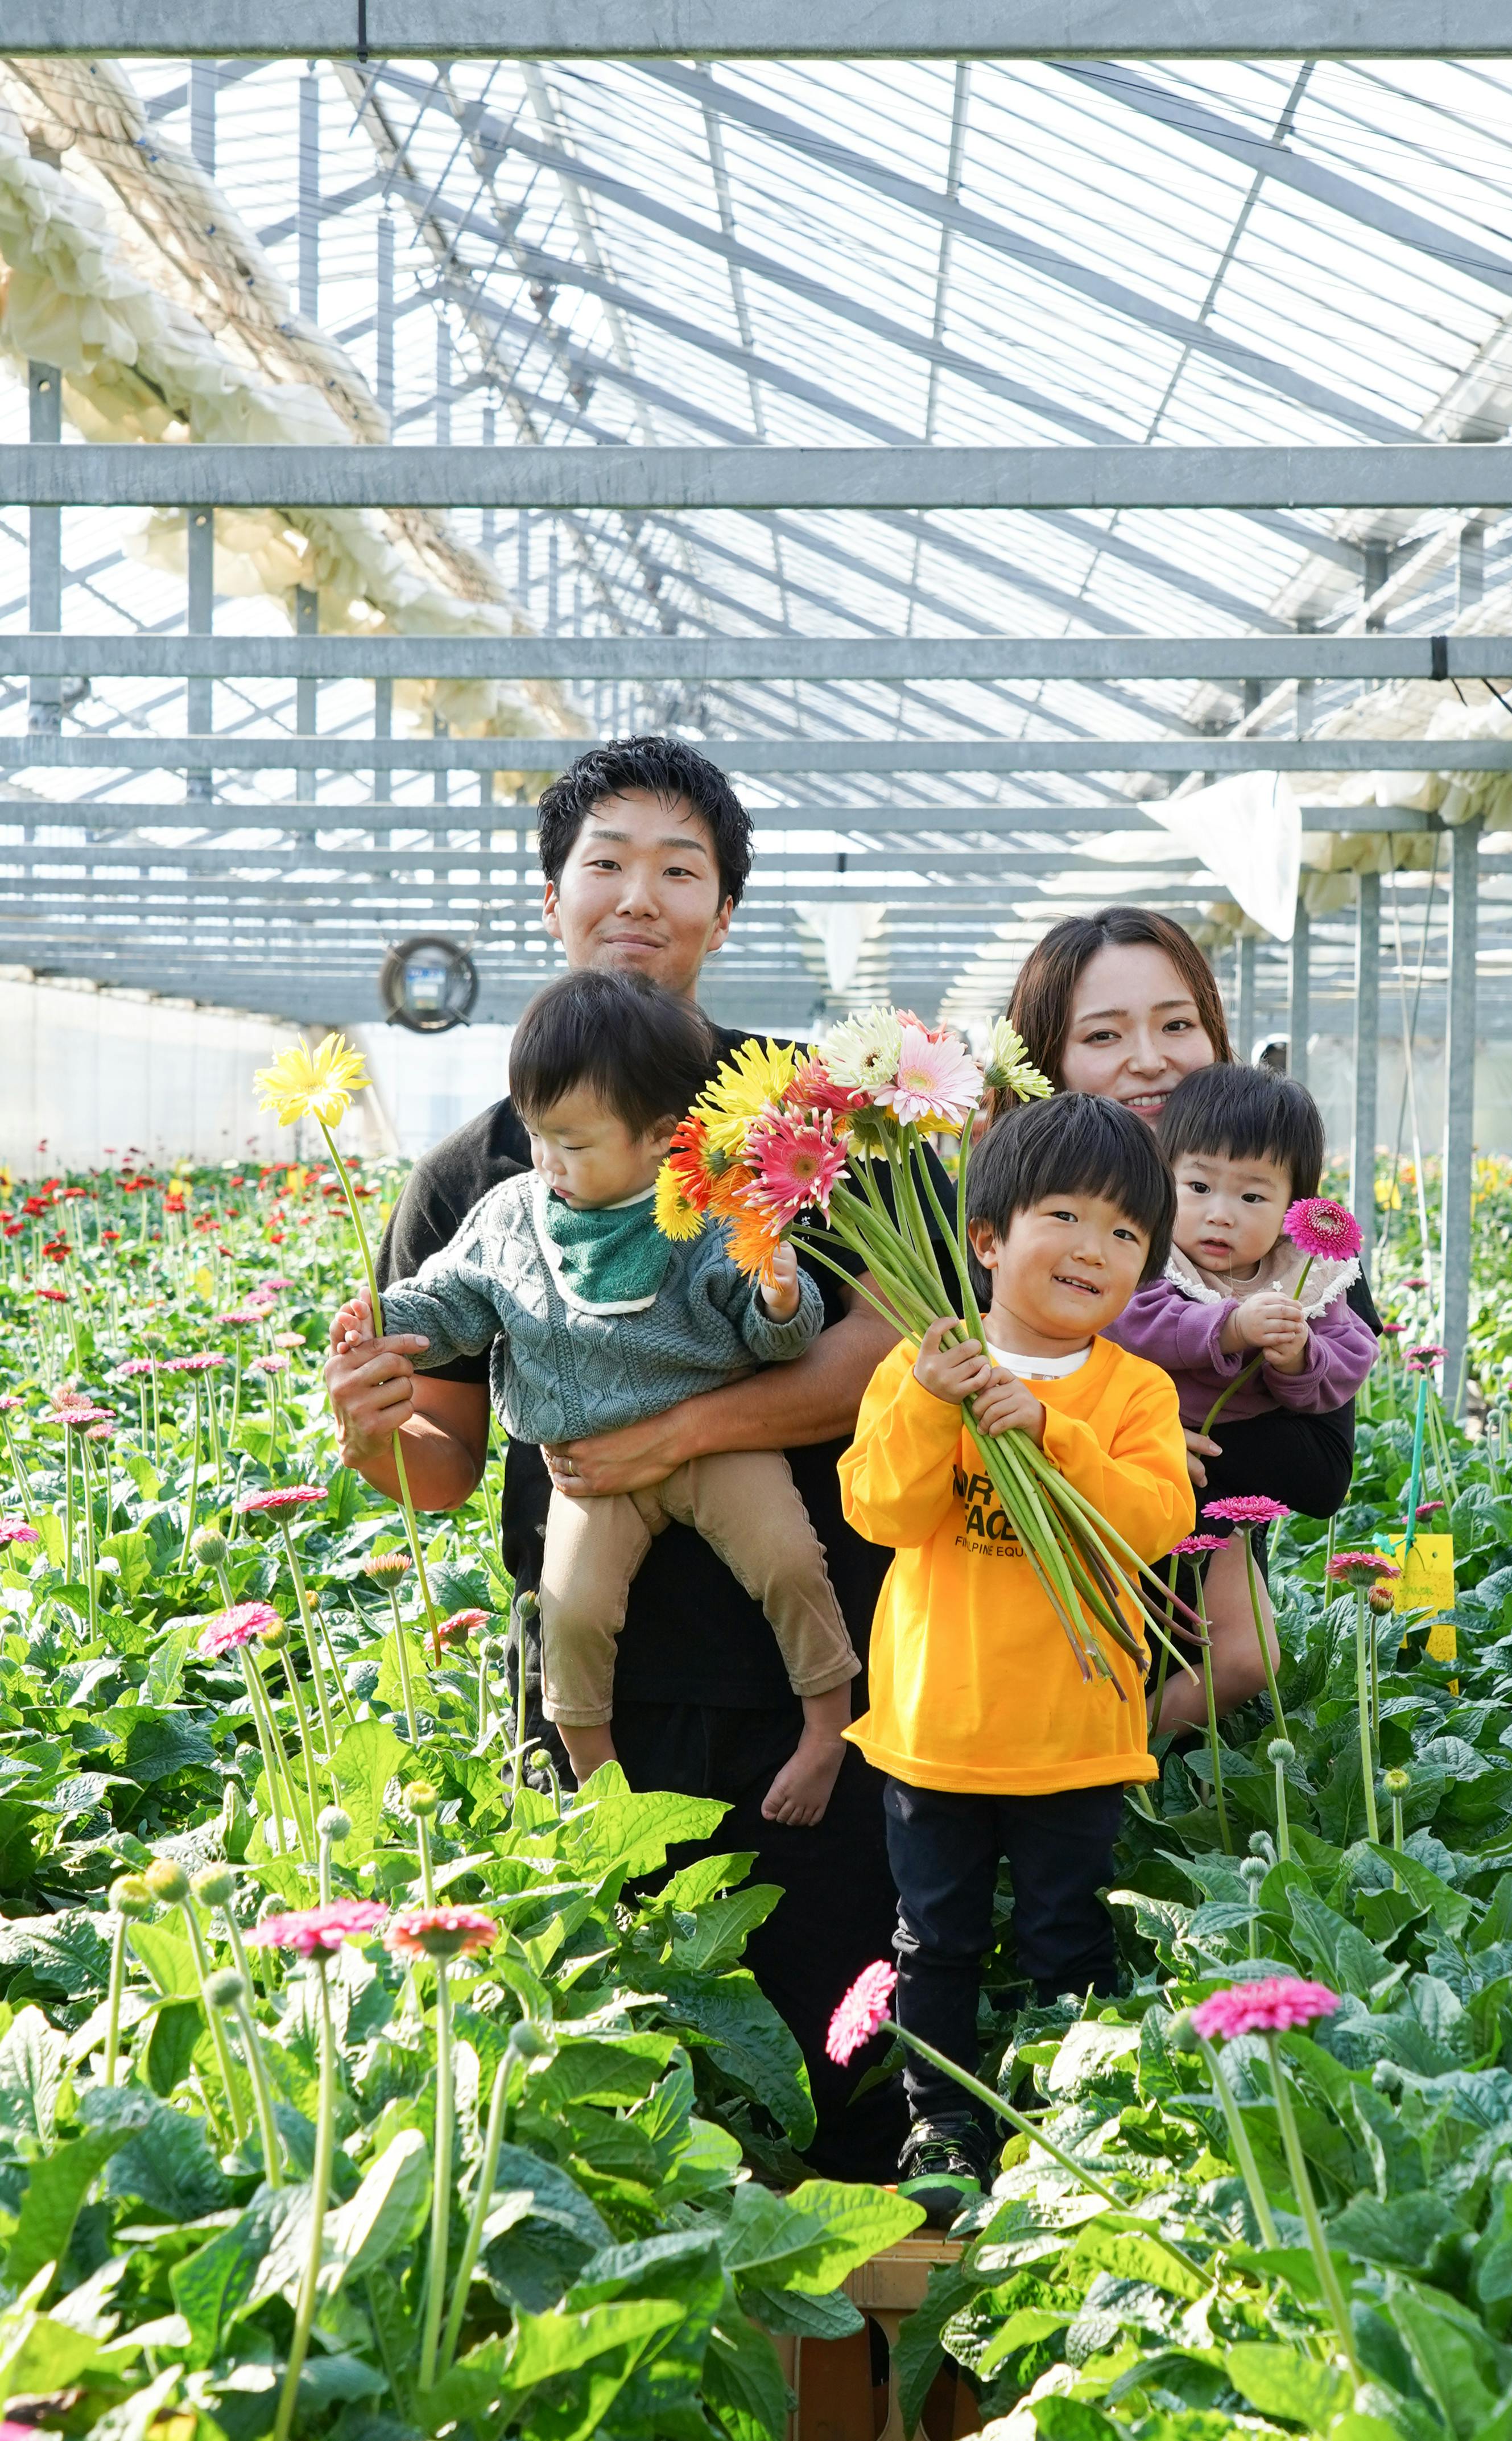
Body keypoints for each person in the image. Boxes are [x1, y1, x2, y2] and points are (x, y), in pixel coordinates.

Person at [322, 734, 908, 2181]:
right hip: (599, 1697)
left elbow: (891, 1345)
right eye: (605, 862)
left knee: (843, 2075)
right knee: (623, 2081)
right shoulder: (481, 1167)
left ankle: (834, 2386)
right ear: (551, 899)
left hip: (830, 1668)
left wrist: (682, 1431)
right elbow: (443, 1464)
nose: (638, 893)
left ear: (724, 910)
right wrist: (368, 1428)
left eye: (679, 867)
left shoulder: (816, 1120)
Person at [333, 967, 859, 1824]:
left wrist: (779, 1299)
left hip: (724, 1447)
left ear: (660, 1139)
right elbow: (456, 1301)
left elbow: (776, 1344)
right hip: (588, 1469)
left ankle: (826, 1725)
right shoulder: (511, 1215)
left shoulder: (712, 1212)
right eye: (538, 1135)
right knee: (570, 1613)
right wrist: (384, 1319)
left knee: (791, 1565)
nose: (547, 1161)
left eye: (573, 1144)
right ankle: (595, 1772)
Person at [838, 1094, 1196, 2223]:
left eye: (1125, 1234)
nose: (1095, 1248)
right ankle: (938, 2127)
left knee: (1067, 1940)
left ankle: (1065, 2125)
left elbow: (1152, 1519)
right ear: (987, 1239)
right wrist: (936, 1413)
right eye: (1064, 1216)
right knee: (931, 1942)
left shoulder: (1131, 1391)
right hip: (935, 1733)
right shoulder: (922, 1363)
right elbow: (881, 1511)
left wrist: (1052, 1434)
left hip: (1076, 1734)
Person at [998, 904, 1383, 1705]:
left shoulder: (1293, 1246)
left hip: (1195, 1634)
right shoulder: (996, 1222)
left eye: (1176, 1025)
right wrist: (1121, 1431)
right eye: (1103, 1036)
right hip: (1012, 1613)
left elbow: (1315, 1474)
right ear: (1046, 1060)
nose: (1149, 1061)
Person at [1108, 1064, 1378, 1723]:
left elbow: (1342, 1370)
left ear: (1296, 1208)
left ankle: (1132, 1742)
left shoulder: (1308, 1279)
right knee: (1107, 1644)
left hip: (1220, 1506)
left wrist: (1296, 1356)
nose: (1219, 1214)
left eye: (1253, 1198)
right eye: (1197, 1186)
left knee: (1248, 1660)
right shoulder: (1146, 1254)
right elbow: (1134, 1324)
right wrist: (1228, 1326)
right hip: (1120, 1484)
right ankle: (1096, 1744)